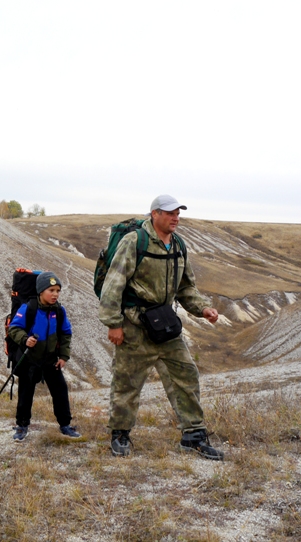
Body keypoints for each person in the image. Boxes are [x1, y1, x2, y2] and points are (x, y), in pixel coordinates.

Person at [98, 195, 224, 460]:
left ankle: (194, 436)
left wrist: (203, 308)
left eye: (178, 213)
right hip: (133, 325)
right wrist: (114, 324)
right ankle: (120, 434)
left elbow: (186, 288)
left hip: (165, 326)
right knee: (126, 382)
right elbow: (113, 283)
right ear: (154, 214)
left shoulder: (178, 245)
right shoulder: (134, 242)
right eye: (169, 213)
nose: (175, 217)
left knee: (186, 375)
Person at [7, 271, 81, 442]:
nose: (55, 294)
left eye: (57, 290)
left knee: (60, 391)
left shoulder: (59, 311)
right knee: (26, 393)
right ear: (41, 291)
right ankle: (22, 425)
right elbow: (14, 329)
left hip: (50, 360)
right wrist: (25, 339)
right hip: (29, 360)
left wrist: (63, 356)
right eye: (51, 290)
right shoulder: (28, 308)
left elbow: (65, 334)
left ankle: (65, 425)